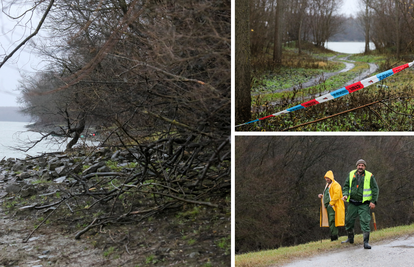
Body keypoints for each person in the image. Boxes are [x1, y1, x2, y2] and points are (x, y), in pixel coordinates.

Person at [341, 159, 379, 249]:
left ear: (365, 167)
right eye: (359, 165)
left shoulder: (370, 176)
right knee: (348, 220)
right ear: (356, 166)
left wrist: (373, 201)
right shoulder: (351, 174)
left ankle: (366, 242)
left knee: (365, 221)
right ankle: (350, 238)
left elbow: (375, 189)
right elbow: (346, 186)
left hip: (364, 204)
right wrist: (345, 195)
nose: (360, 167)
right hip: (352, 203)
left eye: (362, 165)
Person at [318, 170, 345, 241]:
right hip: (328, 206)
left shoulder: (336, 185)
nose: (327, 179)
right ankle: (333, 236)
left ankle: (334, 237)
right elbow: (329, 194)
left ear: (331, 178)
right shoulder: (328, 185)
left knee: (332, 220)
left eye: (328, 178)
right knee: (330, 221)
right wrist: (322, 196)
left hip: (333, 206)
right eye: (326, 178)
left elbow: (336, 195)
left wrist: (331, 203)